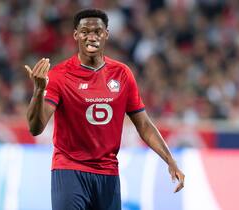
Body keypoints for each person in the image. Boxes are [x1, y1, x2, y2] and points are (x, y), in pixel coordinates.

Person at [24, 9, 185, 210]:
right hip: (69, 170)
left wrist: (170, 160)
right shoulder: (60, 76)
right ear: (76, 35)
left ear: (106, 34)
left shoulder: (122, 74)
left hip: (108, 173)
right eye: (85, 31)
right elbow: (35, 128)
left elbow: (143, 124)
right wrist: (38, 91)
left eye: (97, 31)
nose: (91, 37)